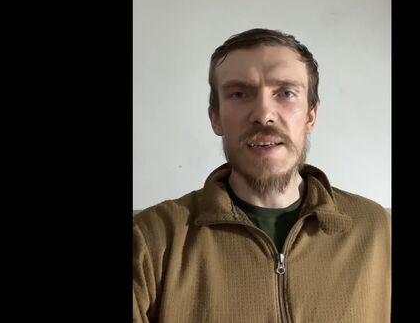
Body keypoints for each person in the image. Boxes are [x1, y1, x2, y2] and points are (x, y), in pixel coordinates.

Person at [133, 28, 391, 323]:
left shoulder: (378, 231)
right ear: (215, 118)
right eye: (239, 94)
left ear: (311, 116)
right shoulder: (151, 238)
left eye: (286, 93)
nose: (263, 114)